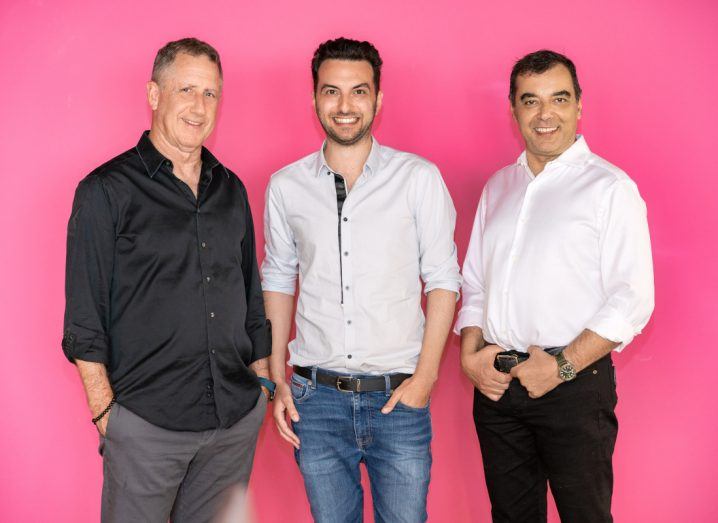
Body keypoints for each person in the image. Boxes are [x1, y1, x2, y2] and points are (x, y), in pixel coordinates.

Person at [62, 37, 273, 523]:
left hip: (234, 422)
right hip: (145, 426)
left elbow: (250, 295)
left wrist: (261, 385)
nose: (199, 107)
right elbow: (84, 317)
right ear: (154, 94)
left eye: (211, 94)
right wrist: (106, 416)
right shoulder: (105, 192)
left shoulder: (231, 189)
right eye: (187, 90)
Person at [261, 37, 461, 523]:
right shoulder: (286, 186)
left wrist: (426, 379)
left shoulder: (418, 179)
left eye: (359, 91)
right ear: (314, 99)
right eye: (331, 91)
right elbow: (279, 279)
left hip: (399, 400)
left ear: (378, 99)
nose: (345, 106)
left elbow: (442, 280)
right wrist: (274, 376)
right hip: (316, 399)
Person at [457, 49, 655, 522]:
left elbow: (632, 297)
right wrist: (470, 356)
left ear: (579, 105)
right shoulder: (498, 187)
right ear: (514, 109)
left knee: (584, 515)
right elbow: (476, 284)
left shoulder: (609, 187)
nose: (545, 114)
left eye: (559, 99)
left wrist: (562, 367)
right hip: (499, 387)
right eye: (531, 100)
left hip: (573, 386)